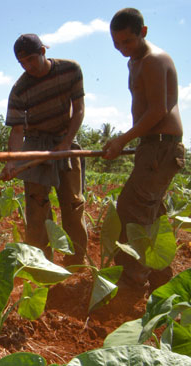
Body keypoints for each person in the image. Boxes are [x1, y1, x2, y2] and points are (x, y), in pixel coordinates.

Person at [103, 8, 185, 286]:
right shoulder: (134, 62)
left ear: (144, 32)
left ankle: (133, 279)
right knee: (150, 213)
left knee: (130, 210)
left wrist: (121, 139)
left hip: (161, 147)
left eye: (127, 42)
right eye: (116, 44)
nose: (122, 49)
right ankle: (161, 277)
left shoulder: (153, 60)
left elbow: (157, 111)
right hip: (152, 146)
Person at [2, 34, 87, 263]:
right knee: (37, 208)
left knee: (73, 204)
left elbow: (78, 110)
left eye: (31, 59)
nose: (28, 66)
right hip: (36, 145)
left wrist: (66, 143)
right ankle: (41, 264)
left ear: (43, 51)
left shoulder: (70, 70)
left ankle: (77, 262)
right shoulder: (20, 89)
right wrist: (12, 161)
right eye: (23, 63)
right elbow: (17, 131)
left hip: (66, 140)